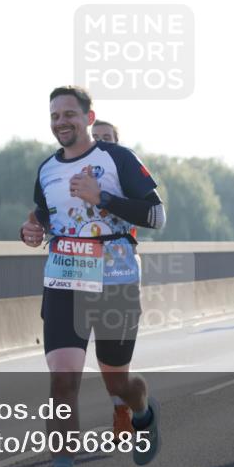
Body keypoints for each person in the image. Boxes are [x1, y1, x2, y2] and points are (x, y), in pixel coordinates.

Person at [20, 86, 164, 467]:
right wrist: (32, 230)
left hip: (116, 279)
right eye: (54, 115)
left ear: (88, 116)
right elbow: (45, 217)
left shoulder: (117, 159)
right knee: (63, 382)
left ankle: (141, 410)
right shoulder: (46, 170)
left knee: (116, 382)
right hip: (65, 280)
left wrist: (103, 198)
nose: (61, 121)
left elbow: (156, 215)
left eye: (69, 114)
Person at [86, 118, 135, 435]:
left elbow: (148, 210)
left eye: (107, 138)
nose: (101, 142)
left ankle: (122, 407)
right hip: (81, 271)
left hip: (120, 270)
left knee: (112, 352)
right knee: (83, 354)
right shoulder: (71, 170)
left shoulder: (127, 171)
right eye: (96, 138)